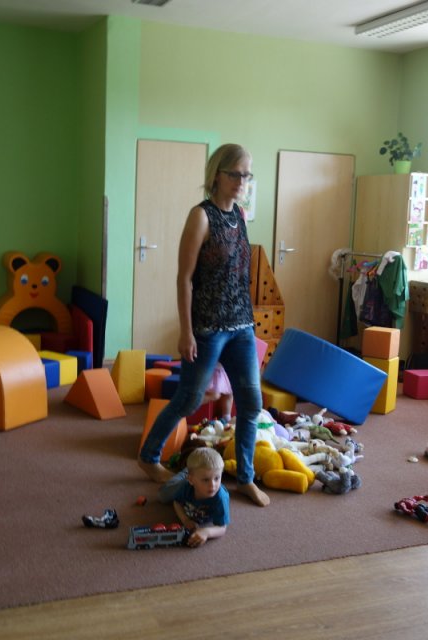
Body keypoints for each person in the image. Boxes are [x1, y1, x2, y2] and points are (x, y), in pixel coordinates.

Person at [138, 143, 269, 507]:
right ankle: (148, 456)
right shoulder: (201, 216)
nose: (242, 181)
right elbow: (184, 278)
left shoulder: (240, 215)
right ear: (217, 174)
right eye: (235, 174)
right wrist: (186, 331)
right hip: (208, 327)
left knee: (251, 402)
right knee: (190, 398)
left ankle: (245, 478)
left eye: (247, 175)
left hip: (242, 325)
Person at [158, 447, 229, 548]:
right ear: (191, 480)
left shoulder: (221, 498)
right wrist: (185, 520)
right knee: (162, 496)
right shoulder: (186, 487)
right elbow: (176, 502)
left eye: (217, 478)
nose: (212, 485)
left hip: (193, 479)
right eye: (206, 480)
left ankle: (192, 472)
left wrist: (206, 532)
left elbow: (222, 528)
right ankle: (185, 473)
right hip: (185, 482)